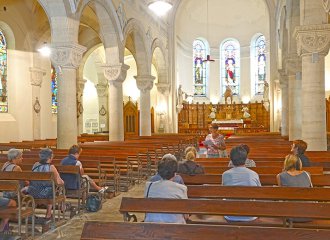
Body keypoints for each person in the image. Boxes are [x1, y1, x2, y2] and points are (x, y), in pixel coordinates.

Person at [144, 154, 188, 223]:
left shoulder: (149, 186)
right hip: (175, 228)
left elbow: (146, 210)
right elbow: (186, 215)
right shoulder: (182, 188)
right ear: (175, 173)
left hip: (151, 226)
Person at [222, 145, 261, 222]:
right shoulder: (253, 174)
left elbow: (224, 193)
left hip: (230, 215)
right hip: (250, 214)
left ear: (231, 160)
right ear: (246, 159)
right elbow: (258, 192)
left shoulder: (225, 174)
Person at [27, 148, 64, 220]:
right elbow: (59, 182)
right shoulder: (51, 167)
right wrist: (63, 182)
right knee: (53, 188)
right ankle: (48, 214)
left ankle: (31, 213)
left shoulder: (35, 165)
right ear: (50, 156)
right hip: (45, 194)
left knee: (48, 187)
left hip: (33, 192)